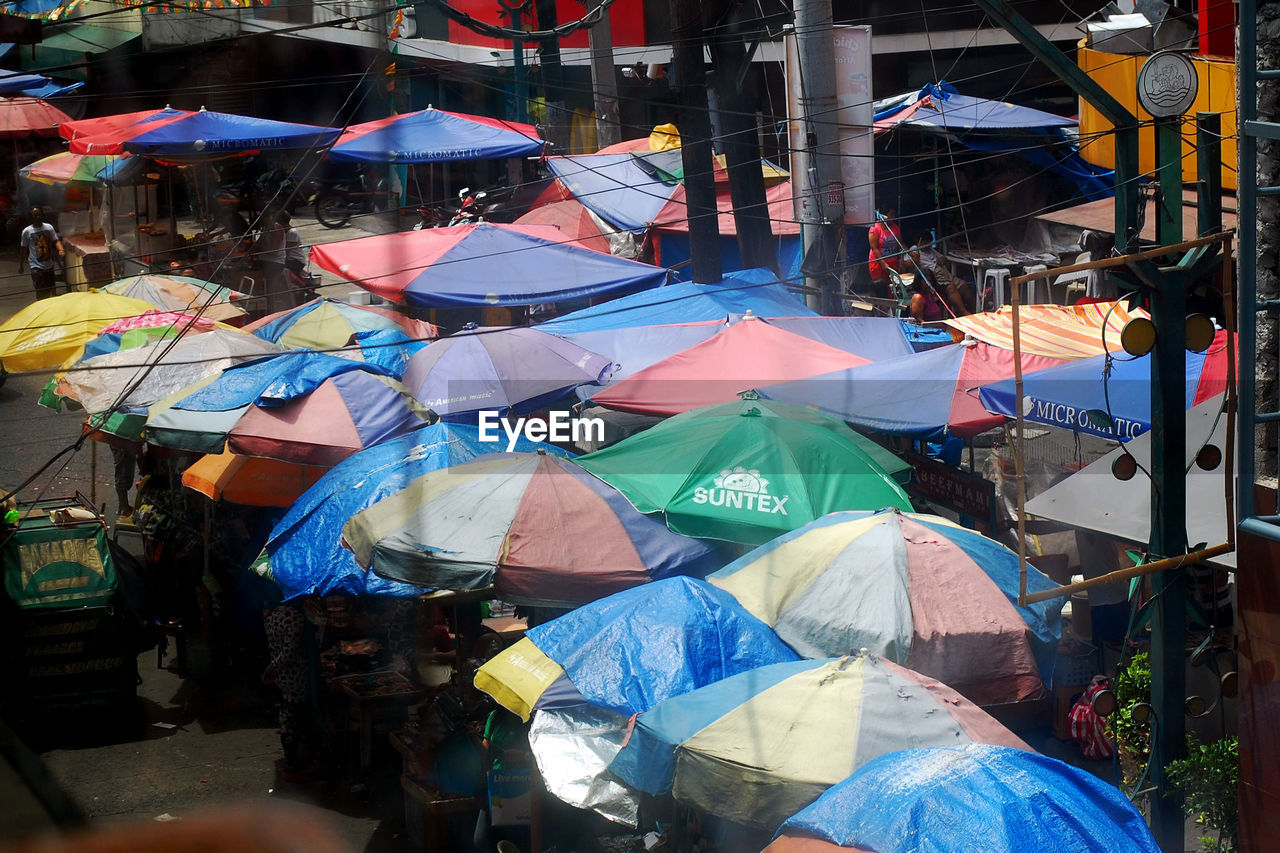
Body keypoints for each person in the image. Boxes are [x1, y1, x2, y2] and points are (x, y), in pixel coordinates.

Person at [18, 207, 64, 300]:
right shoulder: (27, 231)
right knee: (41, 292)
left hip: (49, 265)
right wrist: (21, 265)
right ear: (31, 218)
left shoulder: (48, 227)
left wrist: (61, 249)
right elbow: (23, 249)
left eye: (39, 214)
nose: (37, 217)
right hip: (36, 267)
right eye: (35, 215)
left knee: (52, 291)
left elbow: (55, 240)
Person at [867, 205, 904, 299]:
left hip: (892, 262)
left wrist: (908, 254)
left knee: (892, 289)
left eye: (893, 214)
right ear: (884, 215)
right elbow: (874, 248)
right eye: (891, 214)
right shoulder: (875, 228)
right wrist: (882, 263)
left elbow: (900, 244)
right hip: (878, 264)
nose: (893, 217)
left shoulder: (895, 228)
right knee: (880, 289)